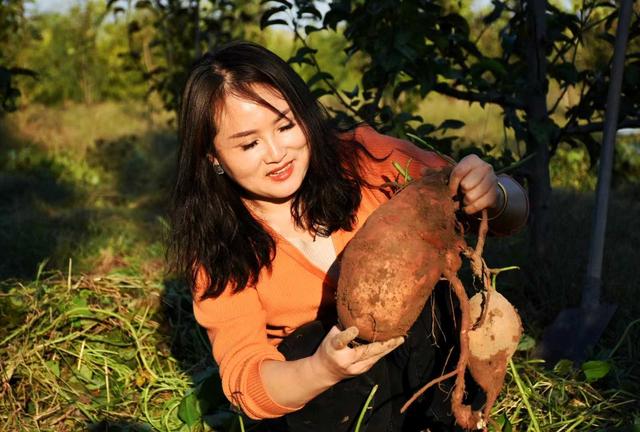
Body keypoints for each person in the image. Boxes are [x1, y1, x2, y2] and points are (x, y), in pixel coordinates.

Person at [169, 41, 529, 432]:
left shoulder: (365, 159)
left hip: (425, 361)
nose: (276, 153)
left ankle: (451, 421)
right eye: (249, 143)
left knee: (444, 292)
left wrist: (495, 192)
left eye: (286, 125)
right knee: (306, 342)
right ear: (213, 157)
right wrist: (320, 369)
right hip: (330, 401)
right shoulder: (220, 250)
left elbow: (506, 213)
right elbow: (245, 381)